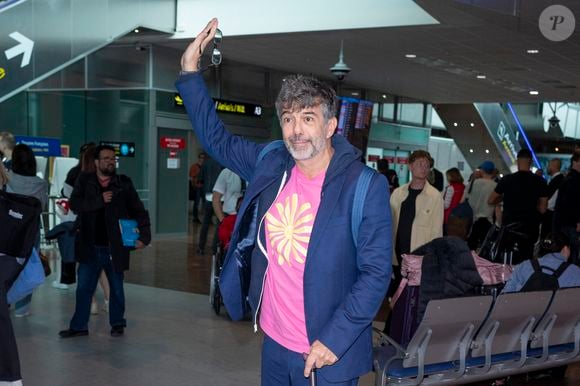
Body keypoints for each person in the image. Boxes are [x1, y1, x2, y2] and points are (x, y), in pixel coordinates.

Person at [177, 18, 392, 385]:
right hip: (275, 344)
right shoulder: (272, 163)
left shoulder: (364, 186)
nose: (296, 130)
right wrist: (189, 73)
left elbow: (375, 275)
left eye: (308, 118)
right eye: (289, 118)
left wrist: (333, 340)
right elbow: (218, 141)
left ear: (329, 126)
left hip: (327, 354)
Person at [59, 145, 151, 338]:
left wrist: (144, 236)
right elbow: (75, 205)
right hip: (89, 246)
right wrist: (99, 200)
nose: (111, 161)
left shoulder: (123, 184)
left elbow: (138, 210)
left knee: (117, 288)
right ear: (97, 162)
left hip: (114, 247)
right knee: (84, 288)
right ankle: (79, 326)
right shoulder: (84, 181)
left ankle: (117, 323)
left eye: (113, 159)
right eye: (106, 158)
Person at [6, 144, 49, 317]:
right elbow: (42, 207)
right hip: (31, 232)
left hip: (8, 231)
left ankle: (5, 301)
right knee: (27, 268)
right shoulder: (41, 184)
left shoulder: (6, 178)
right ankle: (22, 308)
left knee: (6, 267)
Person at [390, 150, 444, 285]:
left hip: (419, 258)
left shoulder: (435, 196)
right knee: (397, 294)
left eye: (427, 165)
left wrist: (431, 259)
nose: (424, 168)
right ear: (410, 166)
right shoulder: (397, 193)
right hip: (396, 254)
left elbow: (437, 231)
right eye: (420, 164)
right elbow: (388, 224)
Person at [488, 148, 548, 264]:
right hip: (529, 229)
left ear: (517, 161)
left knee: (507, 259)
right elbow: (542, 209)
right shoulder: (540, 181)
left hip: (509, 227)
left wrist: (504, 198)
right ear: (531, 162)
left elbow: (491, 200)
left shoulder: (507, 179)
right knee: (526, 261)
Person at [502, 232, 580, 293]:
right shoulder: (575, 271)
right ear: (566, 249)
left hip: (523, 311)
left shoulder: (524, 265)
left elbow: (506, 295)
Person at [553, 151, 580, 265]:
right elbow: (574, 203)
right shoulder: (575, 180)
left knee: (566, 257)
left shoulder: (567, 178)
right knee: (574, 258)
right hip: (572, 226)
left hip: (563, 224)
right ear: (575, 161)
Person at [464, 161, 498, 251]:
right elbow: (498, 207)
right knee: (484, 251)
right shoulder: (496, 186)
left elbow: (462, 201)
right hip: (487, 222)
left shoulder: (472, 183)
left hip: (471, 221)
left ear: (482, 171)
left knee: (469, 249)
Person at [197, 155, 222, 255]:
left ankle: (201, 247)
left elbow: (201, 179)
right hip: (220, 197)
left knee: (205, 223)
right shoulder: (222, 163)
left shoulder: (206, 163)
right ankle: (215, 247)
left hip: (208, 196)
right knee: (219, 223)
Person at [541, 158, 564, 239]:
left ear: (553, 166)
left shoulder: (558, 180)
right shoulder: (557, 179)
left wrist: (542, 207)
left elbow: (551, 202)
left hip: (550, 218)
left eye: (549, 165)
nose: (547, 167)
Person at [189, 152, 206, 224]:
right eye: (201, 157)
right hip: (197, 187)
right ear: (199, 158)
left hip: (205, 187)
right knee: (197, 203)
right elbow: (191, 175)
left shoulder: (205, 166)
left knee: (206, 203)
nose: (202, 159)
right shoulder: (194, 166)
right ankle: (195, 217)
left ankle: (206, 218)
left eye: (203, 158)